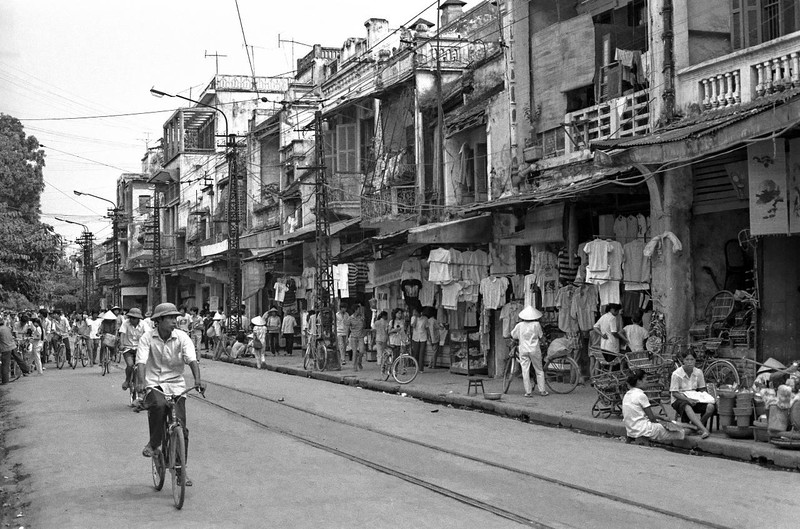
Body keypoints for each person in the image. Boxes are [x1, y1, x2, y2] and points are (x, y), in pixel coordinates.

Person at [135, 303, 204, 487]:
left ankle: (181, 470)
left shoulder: (182, 337)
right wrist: (141, 383)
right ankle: (154, 444)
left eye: (175, 318)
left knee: (181, 425)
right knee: (158, 406)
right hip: (154, 383)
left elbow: (191, 359)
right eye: (170, 318)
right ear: (159, 321)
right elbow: (141, 361)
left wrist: (197, 380)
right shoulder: (146, 338)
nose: (175, 321)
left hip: (176, 385)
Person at [623, 369, 686, 442]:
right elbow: (652, 418)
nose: (647, 382)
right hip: (643, 430)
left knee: (669, 424)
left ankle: (693, 427)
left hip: (631, 430)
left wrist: (662, 418)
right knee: (680, 431)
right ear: (639, 381)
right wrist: (662, 424)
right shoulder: (641, 395)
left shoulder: (627, 395)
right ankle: (693, 430)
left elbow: (645, 414)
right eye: (645, 379)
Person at [670, 350, 715, 439]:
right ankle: (704, 429)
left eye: (692, 359)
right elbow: (674, 393)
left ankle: (695, 427)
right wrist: (688, 399)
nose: (690, 362)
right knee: (686, 405)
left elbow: (702, 389)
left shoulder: (698, 372)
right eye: (687, 360)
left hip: (694, 397)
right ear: (683, 360)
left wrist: (704, 397)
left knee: (710, 407)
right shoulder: (677, 374)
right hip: (679, 398)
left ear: (695, 360)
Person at [510, 306, 548, 397]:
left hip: (523, 349)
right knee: (539, 370)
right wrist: (545, 343)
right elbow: (541, 337)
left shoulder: (519, 325)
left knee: (525, 370)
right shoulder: (536, 324)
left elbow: (513, 335)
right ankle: (542, 390)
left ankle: (528, 392)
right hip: (534, 349)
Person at [118, 308, 144, 392]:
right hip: (128, 348)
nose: (132, 320)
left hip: (140, 348)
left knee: (143, 365)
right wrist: (121, 344)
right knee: (130, 364)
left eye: (134, 318)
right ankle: (127, 380)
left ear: (138, 319)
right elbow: (122, 334)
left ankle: (142, 383)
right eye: (131, 317)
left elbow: (148, 335)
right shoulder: (126, 324)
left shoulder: (144, 324)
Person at [1, 318, 30, 383]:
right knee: (19, 359)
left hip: (5, 348)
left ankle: (5, 380)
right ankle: (26, 370)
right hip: (13, 345)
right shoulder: (7, 328)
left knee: (5, 364)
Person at [345, 305, 366, 371]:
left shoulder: (361, 317)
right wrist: (346, 338)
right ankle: (354, 366)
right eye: (358, 309)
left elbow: (364, 326)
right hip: (353, 336)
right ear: (356, 310)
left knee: (361, 351)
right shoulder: (350, 318)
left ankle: (359, 362)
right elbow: (347, 328)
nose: (359, 311)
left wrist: (363, 320)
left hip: (361, 336)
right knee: (354, 352)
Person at [409, 306, 428, 373]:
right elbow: (413, 326)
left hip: (423, 337)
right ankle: (416, 366)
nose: (414, 313)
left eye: (415, 311)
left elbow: (426, 327)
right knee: (416, 352)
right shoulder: (413, 318)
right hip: (415, 337)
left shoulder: (425, 318)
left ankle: (421, 368)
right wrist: (415, 319)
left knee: (422, 352)